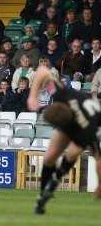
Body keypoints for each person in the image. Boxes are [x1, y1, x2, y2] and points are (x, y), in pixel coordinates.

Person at [27, 66, 101, 214]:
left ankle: (56, 180)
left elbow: (99, 160)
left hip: (87, 123)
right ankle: (43, 194)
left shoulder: (88, 129)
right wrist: (32, 96)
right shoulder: (61, 94)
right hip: (74, 113)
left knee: (73, 153)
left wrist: (100, 184)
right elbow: (42, 71)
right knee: (49, 157)